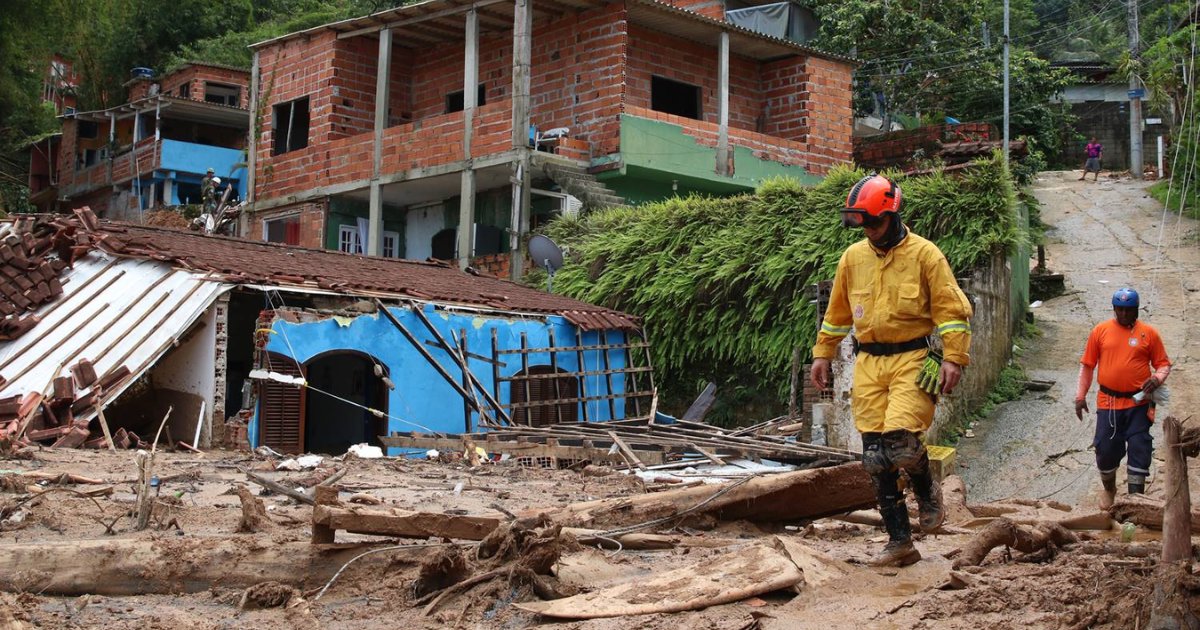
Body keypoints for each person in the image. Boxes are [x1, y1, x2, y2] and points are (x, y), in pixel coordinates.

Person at [810, 174, 973, 567]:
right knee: (874, 457)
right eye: (862, 223)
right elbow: (836, 315)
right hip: (869, 362)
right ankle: (900, 541)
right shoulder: (853, 258)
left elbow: (952, 313)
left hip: (913, 359)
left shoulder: (926, 255)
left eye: (874, 222)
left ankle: (927, 491)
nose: (868, 230)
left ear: (893, 214)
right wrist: (822, 354)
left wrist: (954, 357)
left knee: (899, 442)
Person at [1074, 288, 1171, 509]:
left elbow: (1163, 364)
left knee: (1139, 447)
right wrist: (1080, 397)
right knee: (1106, 449)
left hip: (1139, 403)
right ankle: (1109, 490)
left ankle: (1135, 501)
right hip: (1108, 402)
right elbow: (1088, 365)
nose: (1124, 314)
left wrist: (1157, 379)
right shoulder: (1100, 331)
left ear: (1136, 310)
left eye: (1129, 310)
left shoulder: (1149, 333)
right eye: (1120, 310)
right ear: (1114, 309)